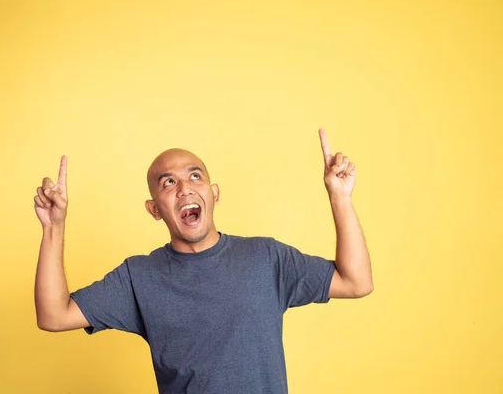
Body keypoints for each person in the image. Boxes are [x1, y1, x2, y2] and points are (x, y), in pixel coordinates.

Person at [33, 128, 373, 393]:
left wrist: (340, 197)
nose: (184, 188)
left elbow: (356, 282)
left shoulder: (267, 258)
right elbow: (53, 315)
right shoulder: (138, 277)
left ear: (214, 193)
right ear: (154, 209)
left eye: (195, 176)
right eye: (168, 182)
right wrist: (53, 228)